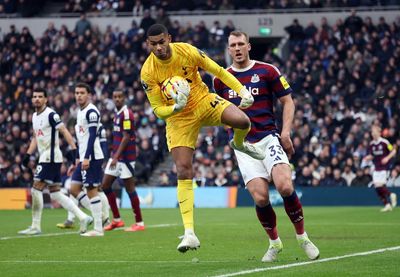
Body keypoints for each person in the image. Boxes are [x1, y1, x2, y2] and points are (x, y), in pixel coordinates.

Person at [140, 24, 265, 253]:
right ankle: (189, 233)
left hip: (203, 101)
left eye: (161, 42)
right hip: (179, 119)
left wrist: (242, 91)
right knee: (183, 169)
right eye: (153, 44)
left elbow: (216, 69)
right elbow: (157, 109)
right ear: (148, 44)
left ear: (169, 38)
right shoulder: (148, 72)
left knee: (243, 122)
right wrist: (174, 109)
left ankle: (238, 143)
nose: (159, 47)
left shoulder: (187, 51)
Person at [213, 31, 319, 262]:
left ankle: (303, 238)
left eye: (242, 43)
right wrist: (232, 135)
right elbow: (220, 112)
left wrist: (286, 132)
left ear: (249, 46)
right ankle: (274, 243)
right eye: (233, 45)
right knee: (260, 198)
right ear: (229, 49)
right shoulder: (220, 79)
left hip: (269, 137)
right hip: (243, 146)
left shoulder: (267, 70)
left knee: (285, 186)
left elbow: (288, 101)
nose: (238, 48)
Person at [18, 88, 92, 235]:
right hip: (45, 156)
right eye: (35, 96)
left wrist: (73, 150)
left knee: (36, 188)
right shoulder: (34, 116)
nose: (37, 99)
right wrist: (27, 154)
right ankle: (83, 217)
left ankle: (35, 226)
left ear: (46, 99)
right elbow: (35, 137)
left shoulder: (51, 114)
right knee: (55, 193)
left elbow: (64, 131)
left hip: (50, 157)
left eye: (40, 96)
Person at [102, 89, 145, 232]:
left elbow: (126, 137)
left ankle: (139, 223)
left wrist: (115, 157)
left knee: (129, 189)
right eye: (115, 96)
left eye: (120, 97)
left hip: (125, 158)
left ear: (124, 98)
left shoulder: (127, 114)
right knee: (105, 185)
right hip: (116, 157)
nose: (117, 99)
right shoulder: (117, 113)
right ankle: (117, 220)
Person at [68, 82, 106, 236]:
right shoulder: (80, 112)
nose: (79, 96)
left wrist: (86, 158)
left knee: (91, 190)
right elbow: (81, 138)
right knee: (74, 189)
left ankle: (98, 228)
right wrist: (77, 158)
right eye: (77, 93)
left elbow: (91, 136)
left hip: (92, 157)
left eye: (82, 93)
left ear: (89, 95)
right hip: (83, 157)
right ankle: (100, 216)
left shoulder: (92, 112)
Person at [56, 122, 110, 229]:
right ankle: (71, 219)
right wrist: (74, 162)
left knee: (97, 189)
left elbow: (103, 145)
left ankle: (105, 219)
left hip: (94, 160)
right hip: (82, 160)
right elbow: (81, 144)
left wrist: (103, 161)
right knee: (74, 187)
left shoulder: (98, 126)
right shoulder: (79, 125)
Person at [363, 125, 397, 212]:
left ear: (379, 132)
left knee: (379, 186)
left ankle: (391, 195)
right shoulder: (372, 144)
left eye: (374, 131)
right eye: (372, 132)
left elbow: (393, 151)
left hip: (384, 168)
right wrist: (367, 157)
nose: (373, 133)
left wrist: (387, 158)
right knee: (377, 187)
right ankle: (387, 204)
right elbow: (372, 155)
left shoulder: (384, 142)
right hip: (376, 167)